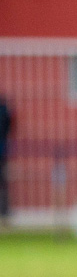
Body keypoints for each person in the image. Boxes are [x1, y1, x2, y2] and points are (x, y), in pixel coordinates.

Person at [0, 90, 12, 221]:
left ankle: (4, 211)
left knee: (3, 182)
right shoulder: (5, 111)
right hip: (3, 151)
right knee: (3, 183)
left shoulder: (4, 111)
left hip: (2, 151)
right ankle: (4, 211)